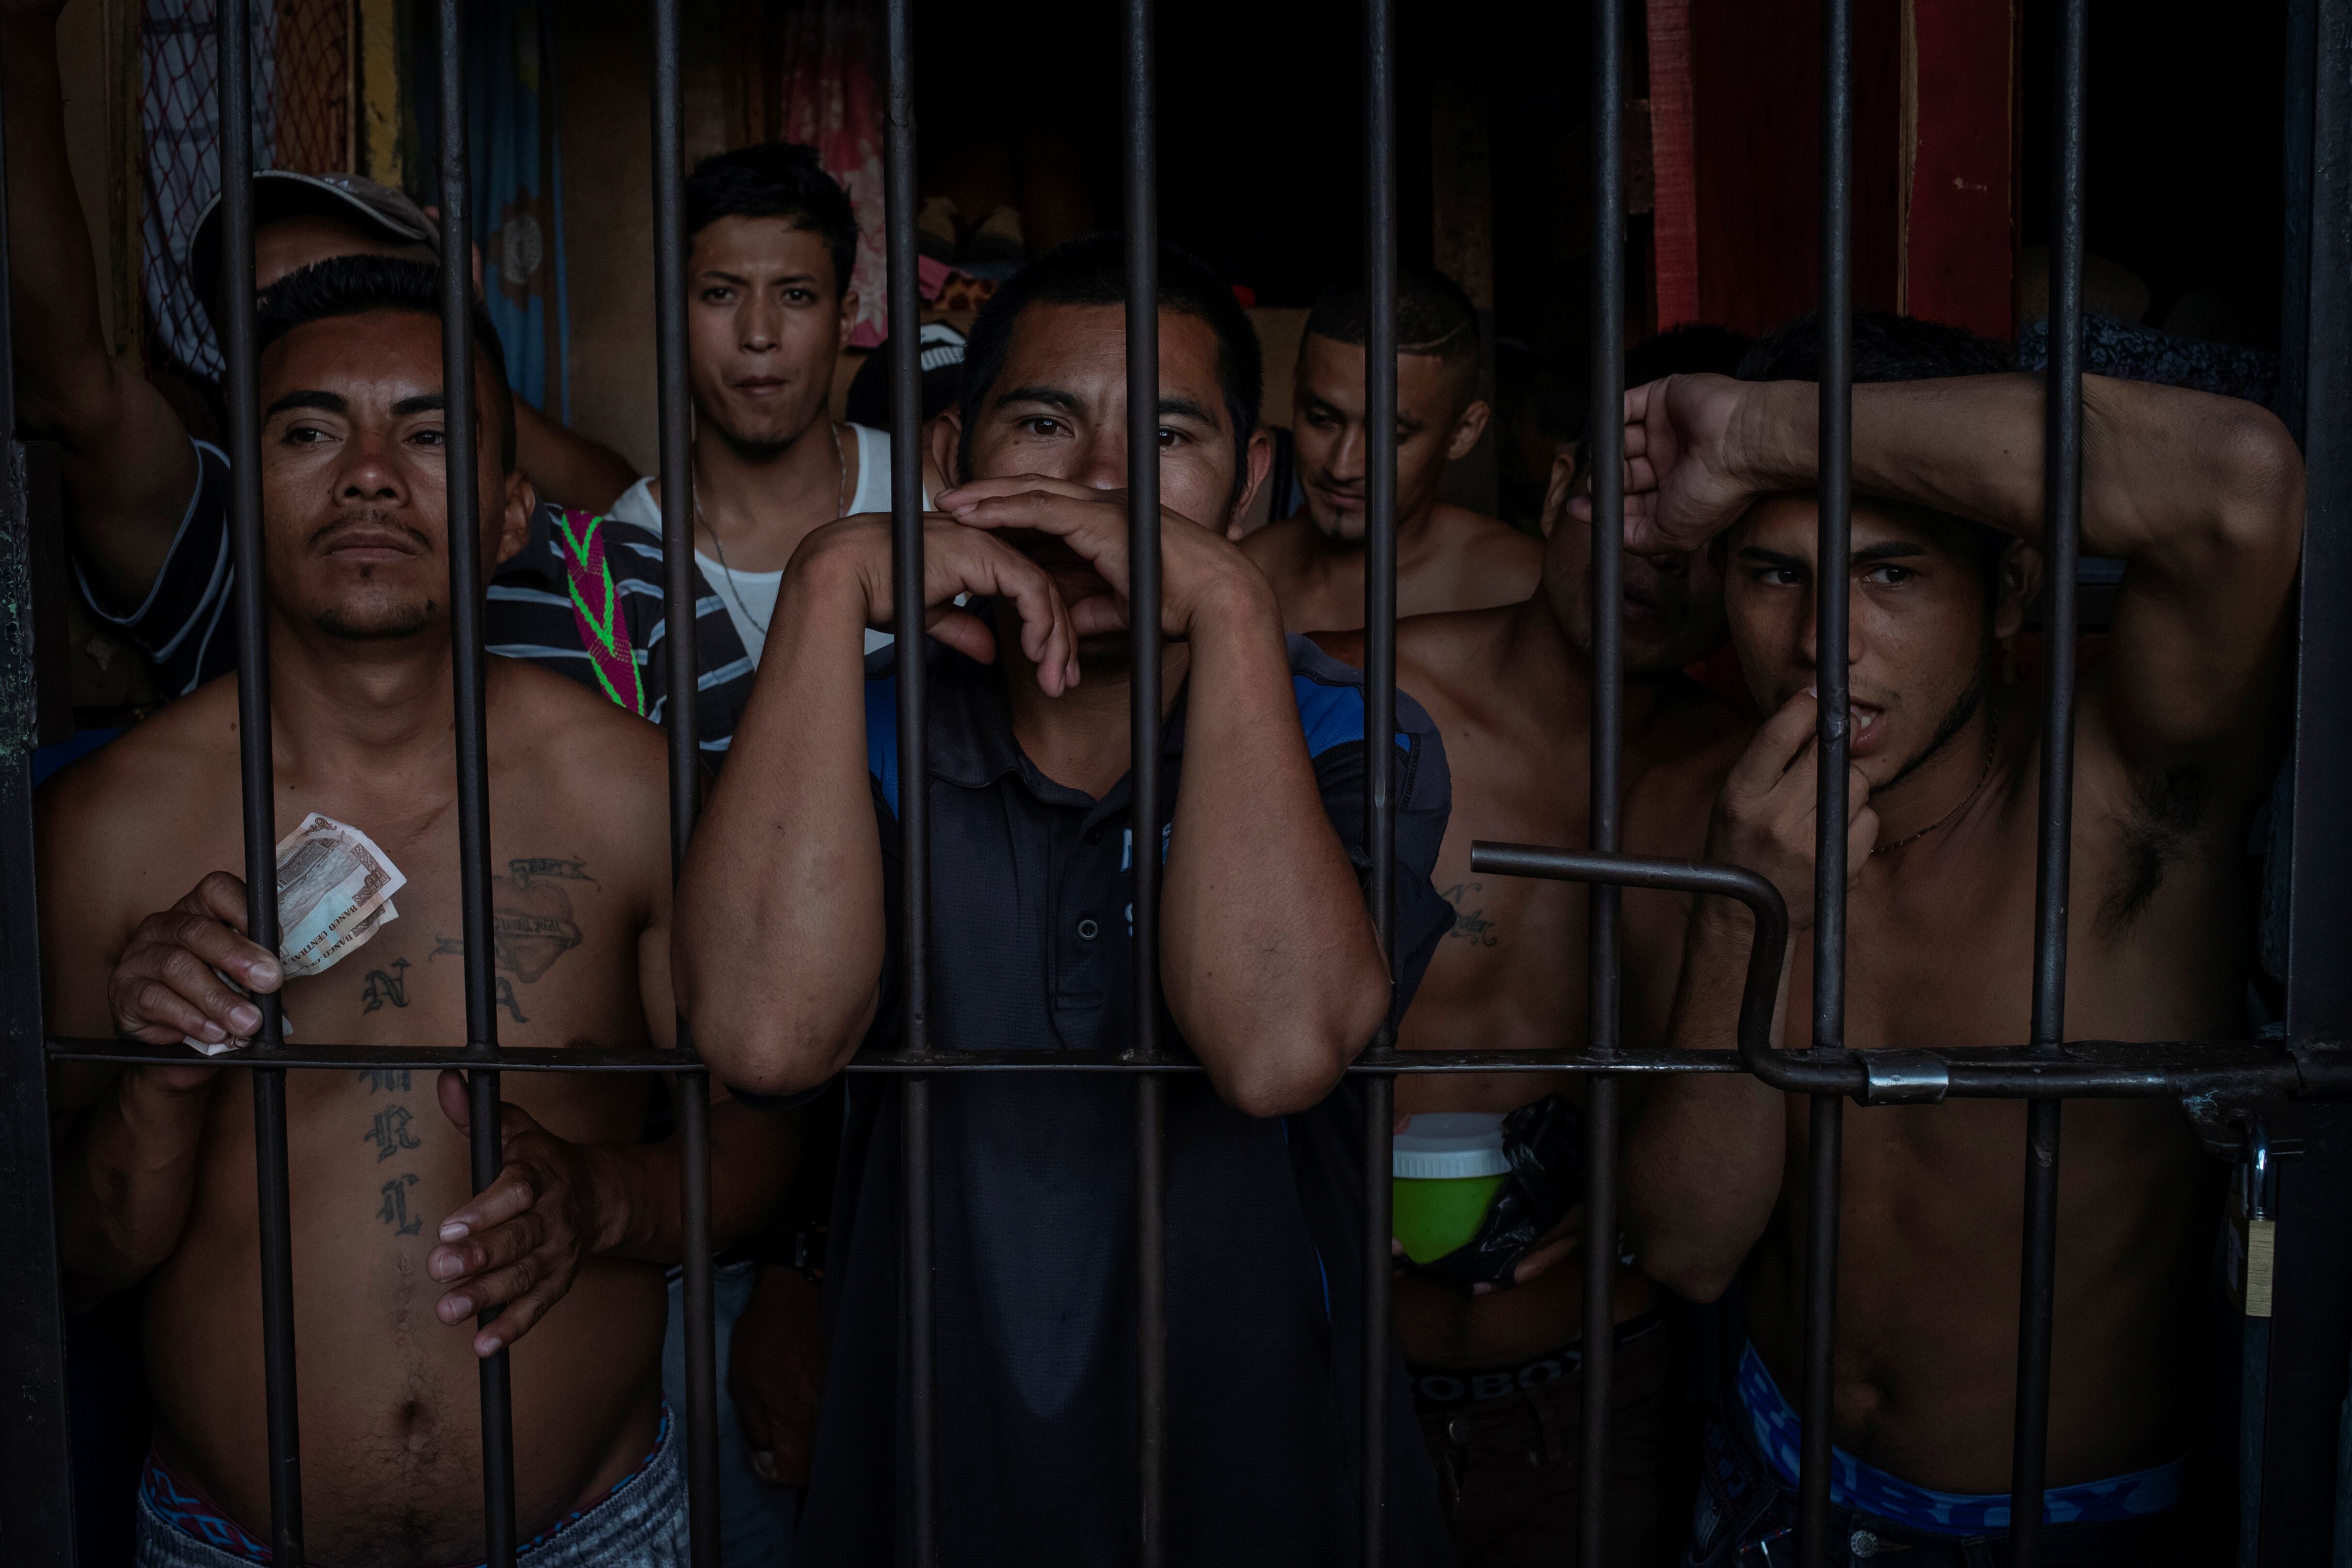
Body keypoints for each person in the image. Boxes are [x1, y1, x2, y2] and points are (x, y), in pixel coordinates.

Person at [675, 233, 1458, 1564]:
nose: (1101, 487)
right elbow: (763, 1036)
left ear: (1250, 476)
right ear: (945, 460)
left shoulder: (1340, 727)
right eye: (1043, 423)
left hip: (1261, 1472)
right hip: (932, 1468)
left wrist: (1222, 603)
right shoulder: (853, 725)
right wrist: (822, 590)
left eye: (1166, 440)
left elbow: (1272, 1051)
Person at [36, 257, 800, 1567]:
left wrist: (604, 1201)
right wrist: (157, 1085)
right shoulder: (110, 831)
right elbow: (65, 1266)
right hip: (227, 1541)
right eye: (311, 429)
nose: (372, 472)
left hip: (593, 1531)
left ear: (514, 516)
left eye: (431, 432)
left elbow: (771, 1142)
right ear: (246, 496)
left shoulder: (636, 797)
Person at [1611, 313, 2303, 1566]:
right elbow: (1689, 1251)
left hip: (2067, 1526)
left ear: (2012, 596)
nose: (1826, 643)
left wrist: (1755, 430)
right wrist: (1748, 916)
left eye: (1892, 574)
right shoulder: (1690, 812)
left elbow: (2237, 481)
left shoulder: (2116, 801)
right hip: (1773, 1482)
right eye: (1776, 575)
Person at [1314, 360, 1746, 1566]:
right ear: (1559, 480)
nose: (1660, 555)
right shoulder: (1344, 689)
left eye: (1715, 539)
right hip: (1323, 1359)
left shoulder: (1748, 791)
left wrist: (1620, 1186)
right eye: (1633, 501)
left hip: (1605, 1383)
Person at [1, 0, 637, 702]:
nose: (308, 331)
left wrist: (462, 354)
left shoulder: (610, 568)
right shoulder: (233, 524)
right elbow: (70, 390)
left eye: (344, 288)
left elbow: (627, 506)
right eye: (264, 316)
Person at [1242, 263, 1541, 632]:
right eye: (1321, 418)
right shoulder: (1248, 573)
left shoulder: (1524, 591)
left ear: (1463, 432)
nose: (1343, 466)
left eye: (1390, 435)